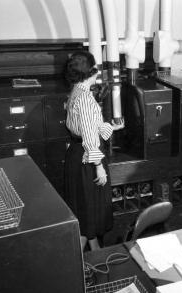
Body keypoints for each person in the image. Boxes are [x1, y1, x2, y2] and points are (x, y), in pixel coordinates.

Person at [63, 50, 124, 251]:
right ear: (90, 72)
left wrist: (111, 127)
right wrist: (99, 166)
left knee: (83, 209)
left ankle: (92, 249)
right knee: (92, 208)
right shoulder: (87, 99)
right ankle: (83, 259)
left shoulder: (75, 91)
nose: (97, 72)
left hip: (75, 154)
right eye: (95, 68)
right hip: (88, 159)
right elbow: (90, 138)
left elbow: (87, 127)